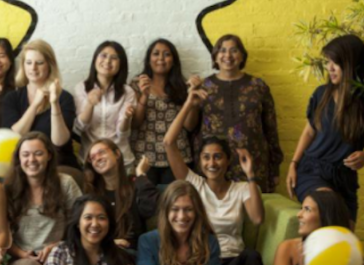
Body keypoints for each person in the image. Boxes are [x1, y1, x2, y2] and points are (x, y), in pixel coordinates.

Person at [164, 86, 265, 265]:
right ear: (200, 161)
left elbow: (257, 218)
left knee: (252, 257)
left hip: (234, 258)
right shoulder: (194, 184)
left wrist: (251, 174)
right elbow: (168, 143)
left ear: (227, 161)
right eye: (206, 157)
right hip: (206, 258)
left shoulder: (240, 189)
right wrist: (189, 102)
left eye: (218, 157)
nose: (212, 163)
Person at [286, 34, 364, 223]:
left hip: (345, 179)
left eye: (336, 62)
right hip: (312, 171)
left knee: (346, 236)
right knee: (328, 205)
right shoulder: (321, 94)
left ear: (352, 64)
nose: (329, 68)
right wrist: (293, 164)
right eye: (328, 61)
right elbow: (309, 131)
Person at [5, 132, 82, 265]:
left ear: (49, 155)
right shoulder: (9, 189)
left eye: (38, 153)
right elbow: (2, 234)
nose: (31, 159)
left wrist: (58, 246)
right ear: (19, 158)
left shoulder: (65, 183)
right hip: (19, 258)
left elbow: (80, 224)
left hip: (55, 256)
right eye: (26, 154)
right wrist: (22, 254)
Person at [193, 34, 283, 191]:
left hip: (253, 164)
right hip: (213, 166)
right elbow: (192, 127)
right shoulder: (204, 87)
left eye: (234, 50)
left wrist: (275, 168)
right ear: (215, 56)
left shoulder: (258, 86)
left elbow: (271, 129)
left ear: (242, 56)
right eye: (222, 50)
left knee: (255, 205)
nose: (227, 55)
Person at [2, 40, 80, 182]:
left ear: (49, 65)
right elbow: (15, 136)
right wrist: (35, 104)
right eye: (28, 62)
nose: (33, 68)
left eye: (39, 63)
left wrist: (54, 103)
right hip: (25, 167)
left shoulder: (64, 98)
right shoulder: (12, 98)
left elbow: (59, 142)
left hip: (60, 165)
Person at [130, 39, 198, 185]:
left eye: (167, 54)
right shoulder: (137, 85)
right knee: (145, 197)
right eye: (156, 54)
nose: (161, 58)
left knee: (176, 198)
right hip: (145, 158)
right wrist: (144, 96)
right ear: (149, 59)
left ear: (174, 61)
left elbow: (189, 126)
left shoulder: (183, 87)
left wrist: (192, 100)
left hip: (177, 155)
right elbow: (135, 123)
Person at [82, 139, 158, 251]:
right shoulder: (92, 194)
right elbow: (85, 234)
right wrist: (110, 243)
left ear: (117, 154)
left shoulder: (134, 184)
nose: (97, 158)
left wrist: (140, 173)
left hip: (133, 252)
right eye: (92, 158)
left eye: (101, 152)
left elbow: (150, 209)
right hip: (102, 251)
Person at [74, 41, 137, 172]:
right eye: (103, 55)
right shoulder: (81, 88)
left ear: (121, 64)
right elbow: (80, 128)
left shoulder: (128, 92)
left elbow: (122, 134)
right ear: (95, 59)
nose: (107, 61)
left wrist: (126, 118)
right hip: (90, 160)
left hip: (120, 160)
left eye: (114, 58)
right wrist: (90, 104)